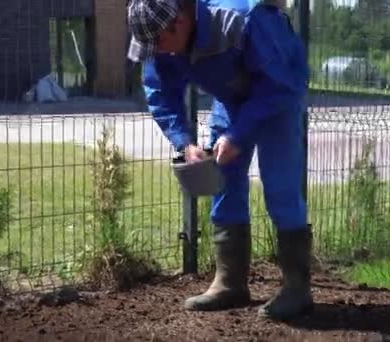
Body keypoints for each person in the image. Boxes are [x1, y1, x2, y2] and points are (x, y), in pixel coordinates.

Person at [126, 0, 313, 321]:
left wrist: (237, 136)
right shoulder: (163, 41)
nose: (157, 51)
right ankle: (230, 283)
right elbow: (160, 91)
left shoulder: (243, 20)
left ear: (180, 22)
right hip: (232, 99)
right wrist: (184, 144)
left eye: (159, 43)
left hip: (277, 97)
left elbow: (281, 85)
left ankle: (297, 289)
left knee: (281, 187)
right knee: (222, 180)